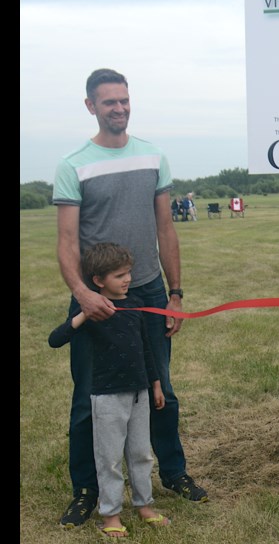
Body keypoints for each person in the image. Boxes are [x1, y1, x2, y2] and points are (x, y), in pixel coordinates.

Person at [53, 68, 207, 529]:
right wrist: (82, 293)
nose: (118, 108)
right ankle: (87, 490)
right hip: (97, 299)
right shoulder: (72, 164)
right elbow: (66, 242)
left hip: (147, 293)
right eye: (108, 102)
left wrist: (175, 293)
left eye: (123, 100)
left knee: (162, 391)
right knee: (89, 398)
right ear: (90, 107)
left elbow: (166, 228)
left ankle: (173, 474)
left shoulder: (153, 156)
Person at [49, 243, 171, 538]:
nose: (127, 279)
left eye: (128, 273)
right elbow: (56, 339)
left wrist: (155, 384)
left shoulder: (136, 305)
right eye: (119, 275)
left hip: (140, 394)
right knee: (110, 458)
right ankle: (111, 515)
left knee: (141, 454)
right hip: (107, 396)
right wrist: (84, 315)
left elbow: (146, 350)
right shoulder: (91, 312)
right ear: (99, 281)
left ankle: (144, 506)